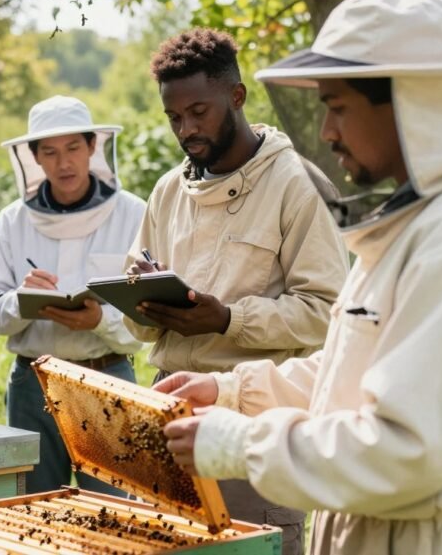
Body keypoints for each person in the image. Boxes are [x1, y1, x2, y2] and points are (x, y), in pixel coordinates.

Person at [158, 0, 442, 555]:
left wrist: (243, 444)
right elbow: (355, 373)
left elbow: (407, 450)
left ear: (413, 103)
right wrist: (230, 389)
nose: (326, 132)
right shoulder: (426, 224)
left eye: (338, 107)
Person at [123, 27, 350, 553]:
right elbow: (136, 315)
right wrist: (141, 300)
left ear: (237, 96)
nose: (187, 128)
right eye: (175, 117)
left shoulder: (299, 184)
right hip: (168, 413)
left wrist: (227, 319)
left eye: (199, 111)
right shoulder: (166, 190)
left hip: (254, 424)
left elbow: (326, 314)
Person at [0, 95, 146, 495]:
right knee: (37, 509)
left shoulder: (133, 214)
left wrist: (100, 320)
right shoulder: (11, 222)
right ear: (35, 157)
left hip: (107, 376)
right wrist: (23, 299)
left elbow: (148, 316)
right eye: (50, 152)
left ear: (93, 146)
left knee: (114, 514)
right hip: (33, 381)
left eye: (74, 148)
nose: (64, 162)